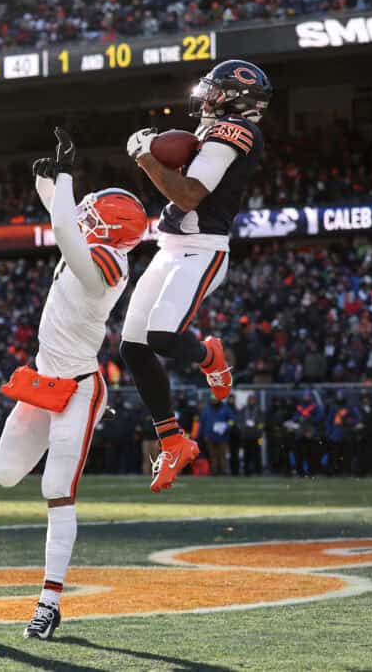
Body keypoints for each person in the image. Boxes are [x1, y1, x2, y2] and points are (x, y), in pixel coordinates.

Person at [0, 128, 147, 640]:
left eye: (96, 216)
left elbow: (65, 226)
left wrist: (63, 177)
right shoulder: (96, 241)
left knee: (56, 490)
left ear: (112, 232)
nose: (87, 215)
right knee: (4, 474)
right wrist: (45, 178)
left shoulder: (106, 267)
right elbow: (67, 214)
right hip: (43, 381)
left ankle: (49, 602)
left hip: (79, 389)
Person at [120, 59, 272, 492]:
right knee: (133, 347)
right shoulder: (211, 131)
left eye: (215, 90)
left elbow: (188, 195)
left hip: (201, 250)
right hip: (171, 246)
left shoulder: (235, 133)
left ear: (237, 98)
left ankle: (210, 356)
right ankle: (173, 440)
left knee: (163, 338)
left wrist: (146, 158)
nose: (206, 96)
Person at [200, 396, 235, 475]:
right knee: (212, 455)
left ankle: (224, 471)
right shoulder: (207, 409)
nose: (214, 401)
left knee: (222, 455)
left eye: (216, 399)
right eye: (213, 399)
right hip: (210, 436)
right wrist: (203, 434)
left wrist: (227, 426)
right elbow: (203, 422)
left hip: (222, 436)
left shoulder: (225, 408)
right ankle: (214, 471)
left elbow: (232, 420)